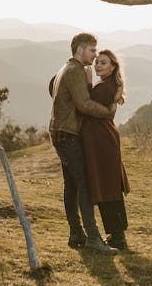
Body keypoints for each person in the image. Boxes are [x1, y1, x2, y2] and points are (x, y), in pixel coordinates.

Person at [49, 32, 118, 255]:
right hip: (68, 135)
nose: (95, 55)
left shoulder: (64, 69)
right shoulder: (76, 70)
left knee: (72, 185)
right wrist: (108, 112)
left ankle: (76, 233)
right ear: (80, 49)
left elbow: (51, 87)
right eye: (92, 50)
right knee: (84, 185)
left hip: (59, 131)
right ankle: (93, 238)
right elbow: (85, 104)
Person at [82, 50, 130, 250]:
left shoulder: (105, 87)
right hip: (102, 140)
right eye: (97, 62)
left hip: (103, 142)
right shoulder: (105, 84)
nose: (98, 65)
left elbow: (84, 103)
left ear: (112, 67)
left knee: (107, 187)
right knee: (107, 186)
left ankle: (118, 236)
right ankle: (117, 235)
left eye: (103, 63)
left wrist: (86, 82)